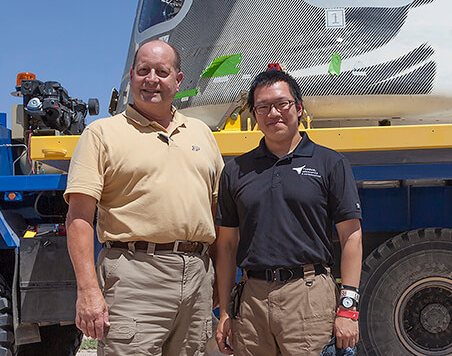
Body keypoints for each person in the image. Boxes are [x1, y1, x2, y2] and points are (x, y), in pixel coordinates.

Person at [64, 40, 224, 356]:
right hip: (134, 278)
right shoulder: (101, 134)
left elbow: (217, 214)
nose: (151, 79)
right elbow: (78, 217)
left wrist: (218, 280)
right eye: (143, 70)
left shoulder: (202, 134)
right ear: (132, 76)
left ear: (178, 80)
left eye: (162, 72)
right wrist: (88, 290)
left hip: (197, 277)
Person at [214, 69, 363, 355]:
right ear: (254, 115)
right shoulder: (236, 171)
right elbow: (227, 245)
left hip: (308, 296)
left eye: (282, 104)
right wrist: (225, 312)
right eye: (263, 107)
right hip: (252, 300)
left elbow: (351, 237)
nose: (273, 113)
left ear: (299, 107)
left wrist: (348, 309)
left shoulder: (330, 163)